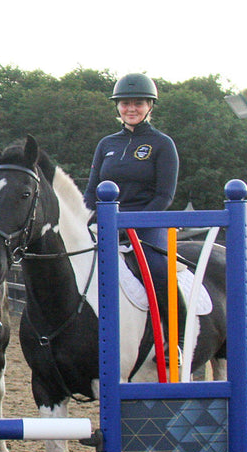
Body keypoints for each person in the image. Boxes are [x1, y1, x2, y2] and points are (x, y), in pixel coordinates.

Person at [83, 73, 179, 343]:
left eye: (138, 103)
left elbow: (164, 195)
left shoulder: (162, 144)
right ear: (118, 107)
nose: (131, 109)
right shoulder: (107, 144)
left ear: (149, 106)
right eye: (125, 104)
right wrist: (86, 220)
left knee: (159, 270)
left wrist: (132, 223)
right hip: (106, 221)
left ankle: (175, 338)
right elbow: (91, 191)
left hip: (147, 221)